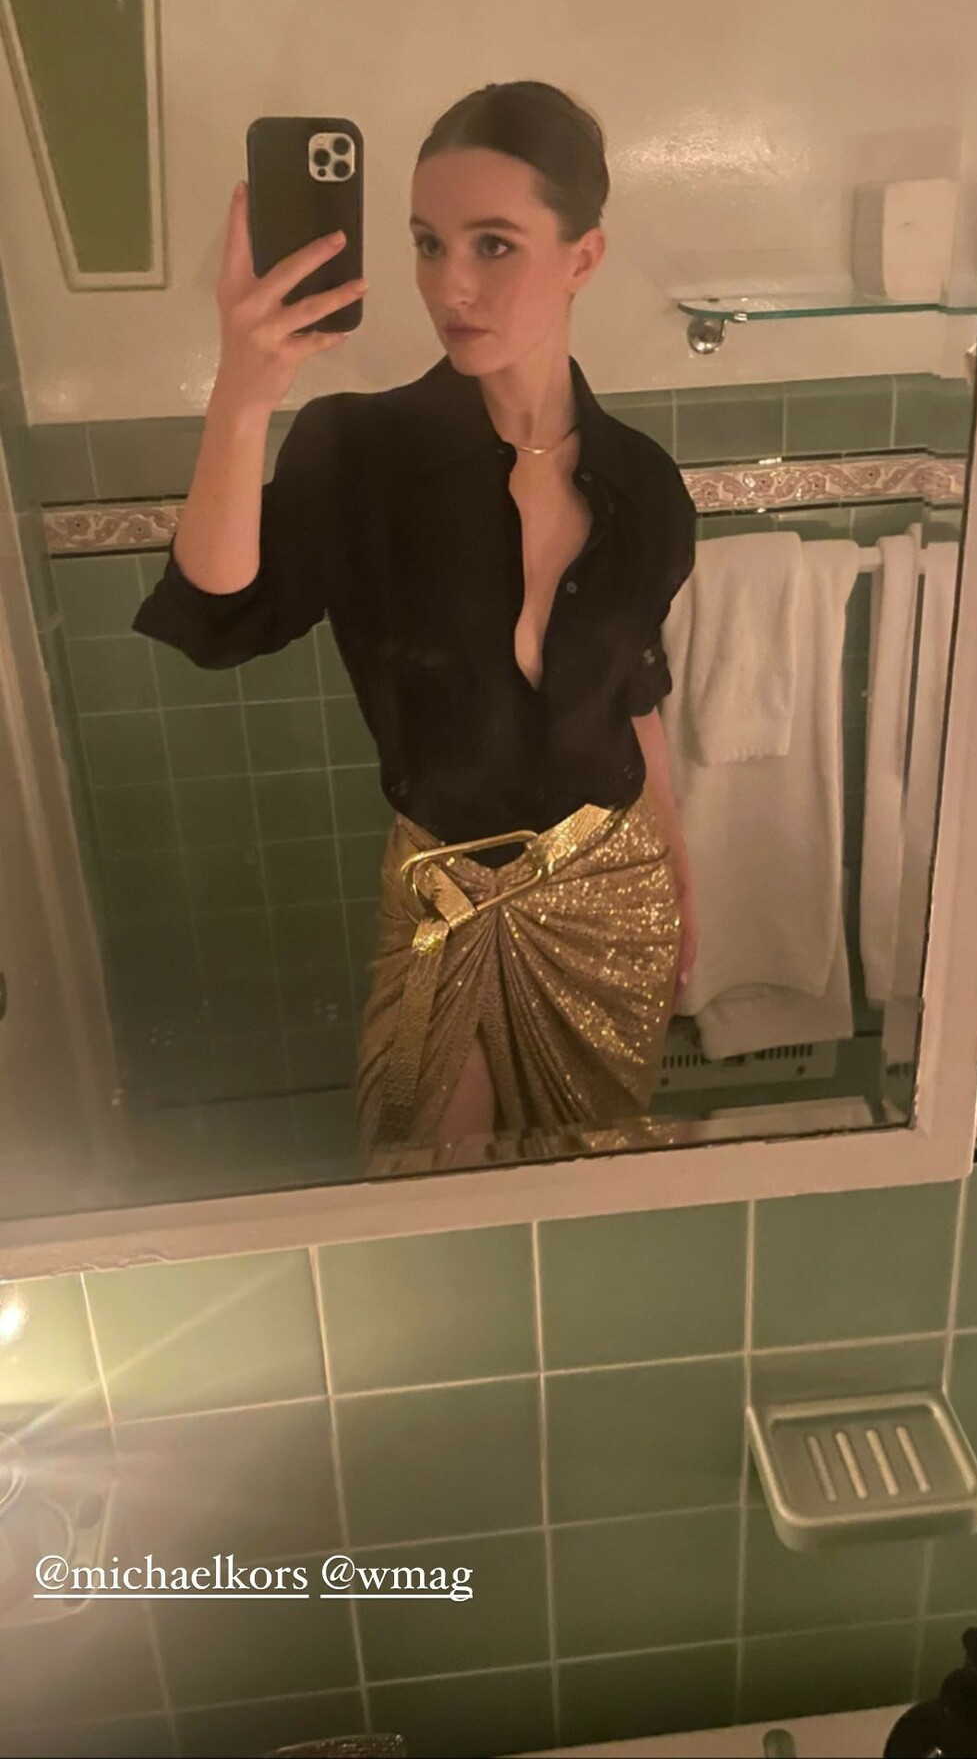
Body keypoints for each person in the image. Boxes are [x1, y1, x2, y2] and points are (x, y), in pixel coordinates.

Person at [132, 80, 699, 1168]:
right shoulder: (359, 451)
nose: (450, 284)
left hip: (612, 898)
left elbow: (634, 687)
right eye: (428, 244)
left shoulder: (645, 484)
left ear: (582, 257)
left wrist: (678, 864)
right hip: (444, 892)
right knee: (419, 1177)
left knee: (589, 1188)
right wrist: (243, 394)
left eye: (494, 245)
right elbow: (220, 619)